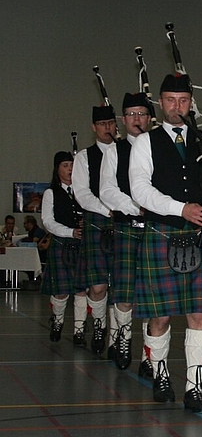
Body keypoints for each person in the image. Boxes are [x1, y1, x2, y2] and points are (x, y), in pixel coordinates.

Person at [129, 73, 202, 412]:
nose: (176, 107)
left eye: (182, 101)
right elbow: (140, 190)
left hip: (199, 237)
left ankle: (195, 386)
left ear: (191, 103)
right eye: (169, 100)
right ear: (160, 103)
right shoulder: (145, 143)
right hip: (162, 233)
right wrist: (182, 208)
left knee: (198, 314)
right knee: (161, 316)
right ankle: (160, 372)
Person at [99, 92, 154, 376]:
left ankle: (149, 353)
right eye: (131, 115)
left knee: (151, 295)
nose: (136, 120)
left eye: (141, 114)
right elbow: (107, 190)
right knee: (126, 292)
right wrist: (135, 206)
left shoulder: (162, 147)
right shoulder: (114, 151)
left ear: (150, 118)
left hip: (157, 230)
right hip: (127, 226)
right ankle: (122, 338)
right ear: (123, 120)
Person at [72, 105, 116, 356]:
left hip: (124, 223)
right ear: (94, 127)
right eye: (102, 124)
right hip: (98, 223)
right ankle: (99, 326)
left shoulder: (128, 152)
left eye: (111, 122)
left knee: (121, 286)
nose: (107, 128)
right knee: (98, 287)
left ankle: (117, 335)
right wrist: (108, 209)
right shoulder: (85, 157)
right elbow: (81, 193)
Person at [41, 151, 88, 345]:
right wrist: (70, 232)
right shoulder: (50, 193)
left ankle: (79, 330)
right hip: (62, 244)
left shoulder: (83, 192)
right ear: (57, 169)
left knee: (81, 290)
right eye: (65, 165)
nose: (69, 169)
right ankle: (58, 321)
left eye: (71, 165)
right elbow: (47, 221)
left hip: (82, 246)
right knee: (61, 291)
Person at [21, 215, 48, 281]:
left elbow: (33, 243)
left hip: (41, 257)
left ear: (29, 223)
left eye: (25, 223)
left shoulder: (38, 232)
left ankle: (34, 280)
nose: (23, 225)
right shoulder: (32, 232)